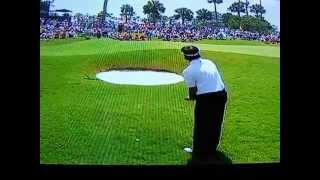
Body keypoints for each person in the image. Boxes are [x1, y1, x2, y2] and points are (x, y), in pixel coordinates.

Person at [181, 45, 229, 165]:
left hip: (206, 99)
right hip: (222, 95)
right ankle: (212, 149)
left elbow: (192, 94)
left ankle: (198, 152)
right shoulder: (209, 62)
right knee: (216, 123)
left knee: (201, 125)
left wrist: (190, 98)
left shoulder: (188, 71)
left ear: (186, 56)